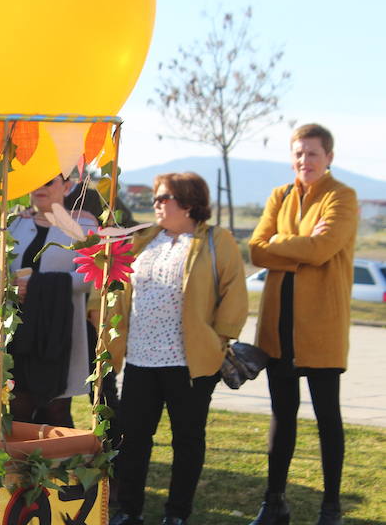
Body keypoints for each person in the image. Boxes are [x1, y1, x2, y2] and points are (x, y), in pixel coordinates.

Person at [108, 172, 247, 525]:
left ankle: (177, 513)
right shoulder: (144, 240)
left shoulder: (217, 240)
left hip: (188, 362)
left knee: (186, 440)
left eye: (163, 197)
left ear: (187, 203)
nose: (156, 204)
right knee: (133, 439)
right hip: (140, 359)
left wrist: (219, 340)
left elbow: (234, 293)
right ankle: (129, 510)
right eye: (155, 198)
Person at [247, 124, 357, 525]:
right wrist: (300, 247)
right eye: (298, 154)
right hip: (279, 328)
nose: (303, 161)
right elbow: (257, 250)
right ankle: (273, 502)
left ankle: (331, 507)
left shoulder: (342, 196)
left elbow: (324, 247)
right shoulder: (279, 195)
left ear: (328, 157)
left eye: (312, 153)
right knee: (282, 415)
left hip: (321, 329)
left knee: (328, 417)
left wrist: (283, 245)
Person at [8, 174, 97, 427]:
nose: (40, 186)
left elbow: (88, 276)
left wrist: (36, 286)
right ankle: (20, 464)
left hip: (58, 329)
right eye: (36, 180)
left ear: (67, 187)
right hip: (18, 328)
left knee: (55, 407)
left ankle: (60, 463)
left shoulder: (82, 226)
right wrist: (12, 286)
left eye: (49, 181)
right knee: (17, 406)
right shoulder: (14, 224)